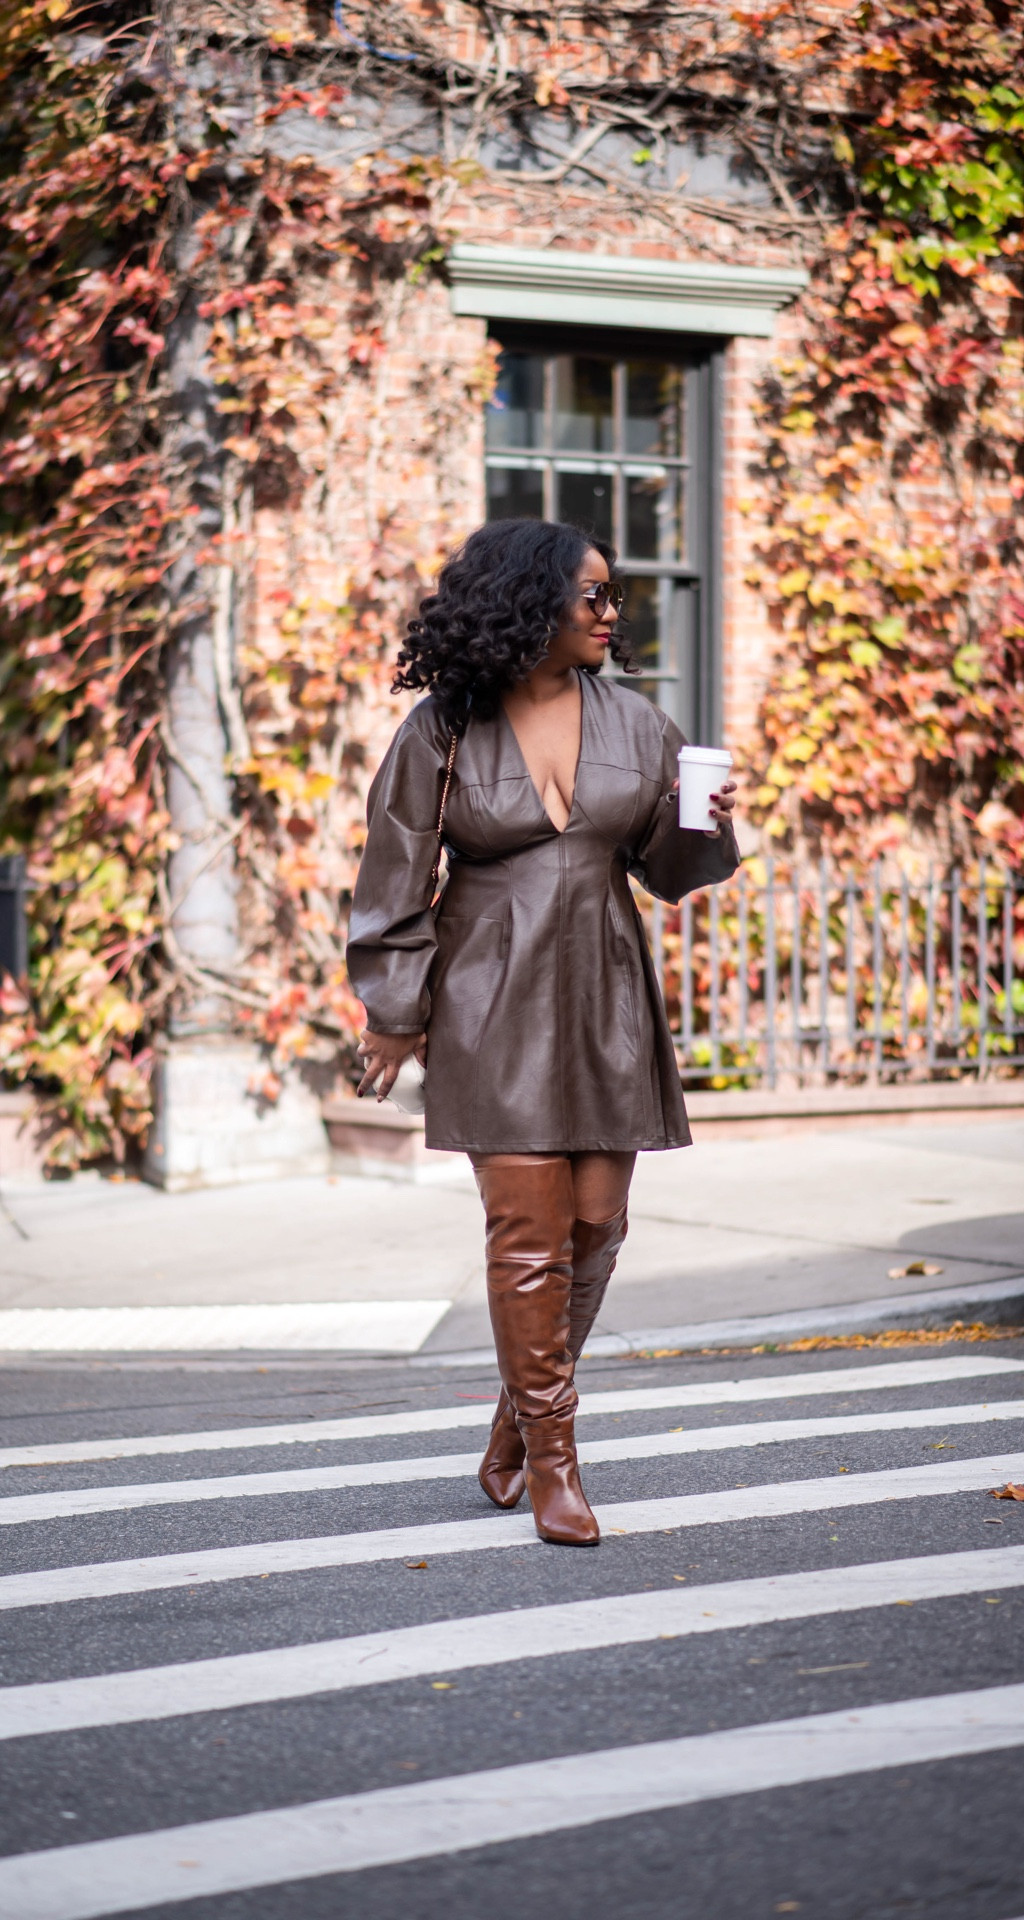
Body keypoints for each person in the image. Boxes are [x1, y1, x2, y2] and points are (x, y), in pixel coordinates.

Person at [346, 519, 739, 1546]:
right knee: (528, 1237)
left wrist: (708, 823)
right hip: (489, 989)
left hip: (605, 984)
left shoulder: (644, 727)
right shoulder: (442, 727)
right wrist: (394, 1018)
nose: (613, 614)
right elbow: (396, 874)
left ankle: (515, 1417)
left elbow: (672, 875)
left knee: (596, 1228)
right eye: (594, 598)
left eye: (616, 597)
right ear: (531, 607)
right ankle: (558, 1462)